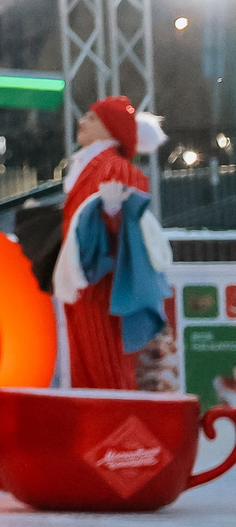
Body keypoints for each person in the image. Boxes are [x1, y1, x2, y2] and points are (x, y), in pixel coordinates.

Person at [52, 97, 169, 391]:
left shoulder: (115, 168)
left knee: (105, 373)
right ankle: (103, 431)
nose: (82, 121)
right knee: (89, 373)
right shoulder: (92, 168)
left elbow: (129, 228)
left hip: (103, 289)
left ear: (110, 127)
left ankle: (117, 431)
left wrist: (114, 214)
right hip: (87, 286)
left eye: (91, 117)